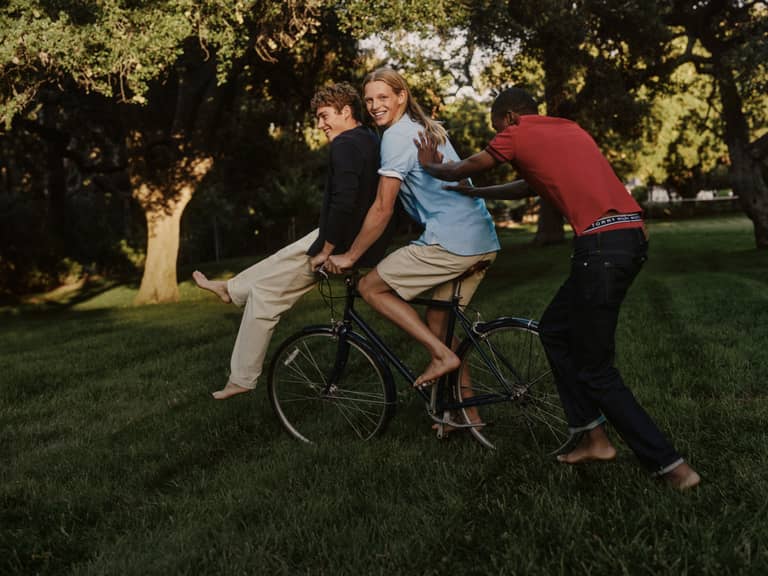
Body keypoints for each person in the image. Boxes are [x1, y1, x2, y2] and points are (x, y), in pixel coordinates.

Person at [415, 87, 700, 490]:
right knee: (553, 330)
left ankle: (672, 467)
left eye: (498, 128)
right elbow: (529, 184)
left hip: (599, 248)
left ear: (510, 117)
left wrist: (431, 166)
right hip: (629, 239)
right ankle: (592, 435)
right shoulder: (568, 129)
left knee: (595, 368)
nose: (499, 137)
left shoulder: (516, 131)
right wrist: (478, 193)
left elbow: (463, 166)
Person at [193, 82, 394, 399]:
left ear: (346, 111)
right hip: (349, 233)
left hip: (343, 240)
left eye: (324, 116)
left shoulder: (344, 144)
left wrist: (327, 249)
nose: (320, 124)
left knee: (266, 297)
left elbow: (343, 201)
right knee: (284, 257)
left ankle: (242, 377)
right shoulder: (369, 137)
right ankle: (230, 289)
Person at [323, 67, 500, 390]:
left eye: (383, 97)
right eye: (369, 100)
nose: (375, 106)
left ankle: (441, 357)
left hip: (451, 241)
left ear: (401, 96)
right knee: (439, 323)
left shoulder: (396, 136)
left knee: (370, 288)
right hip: (482, 239)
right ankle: (465, 412)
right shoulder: (420, 127)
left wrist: (351, 255)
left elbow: (383, 207)